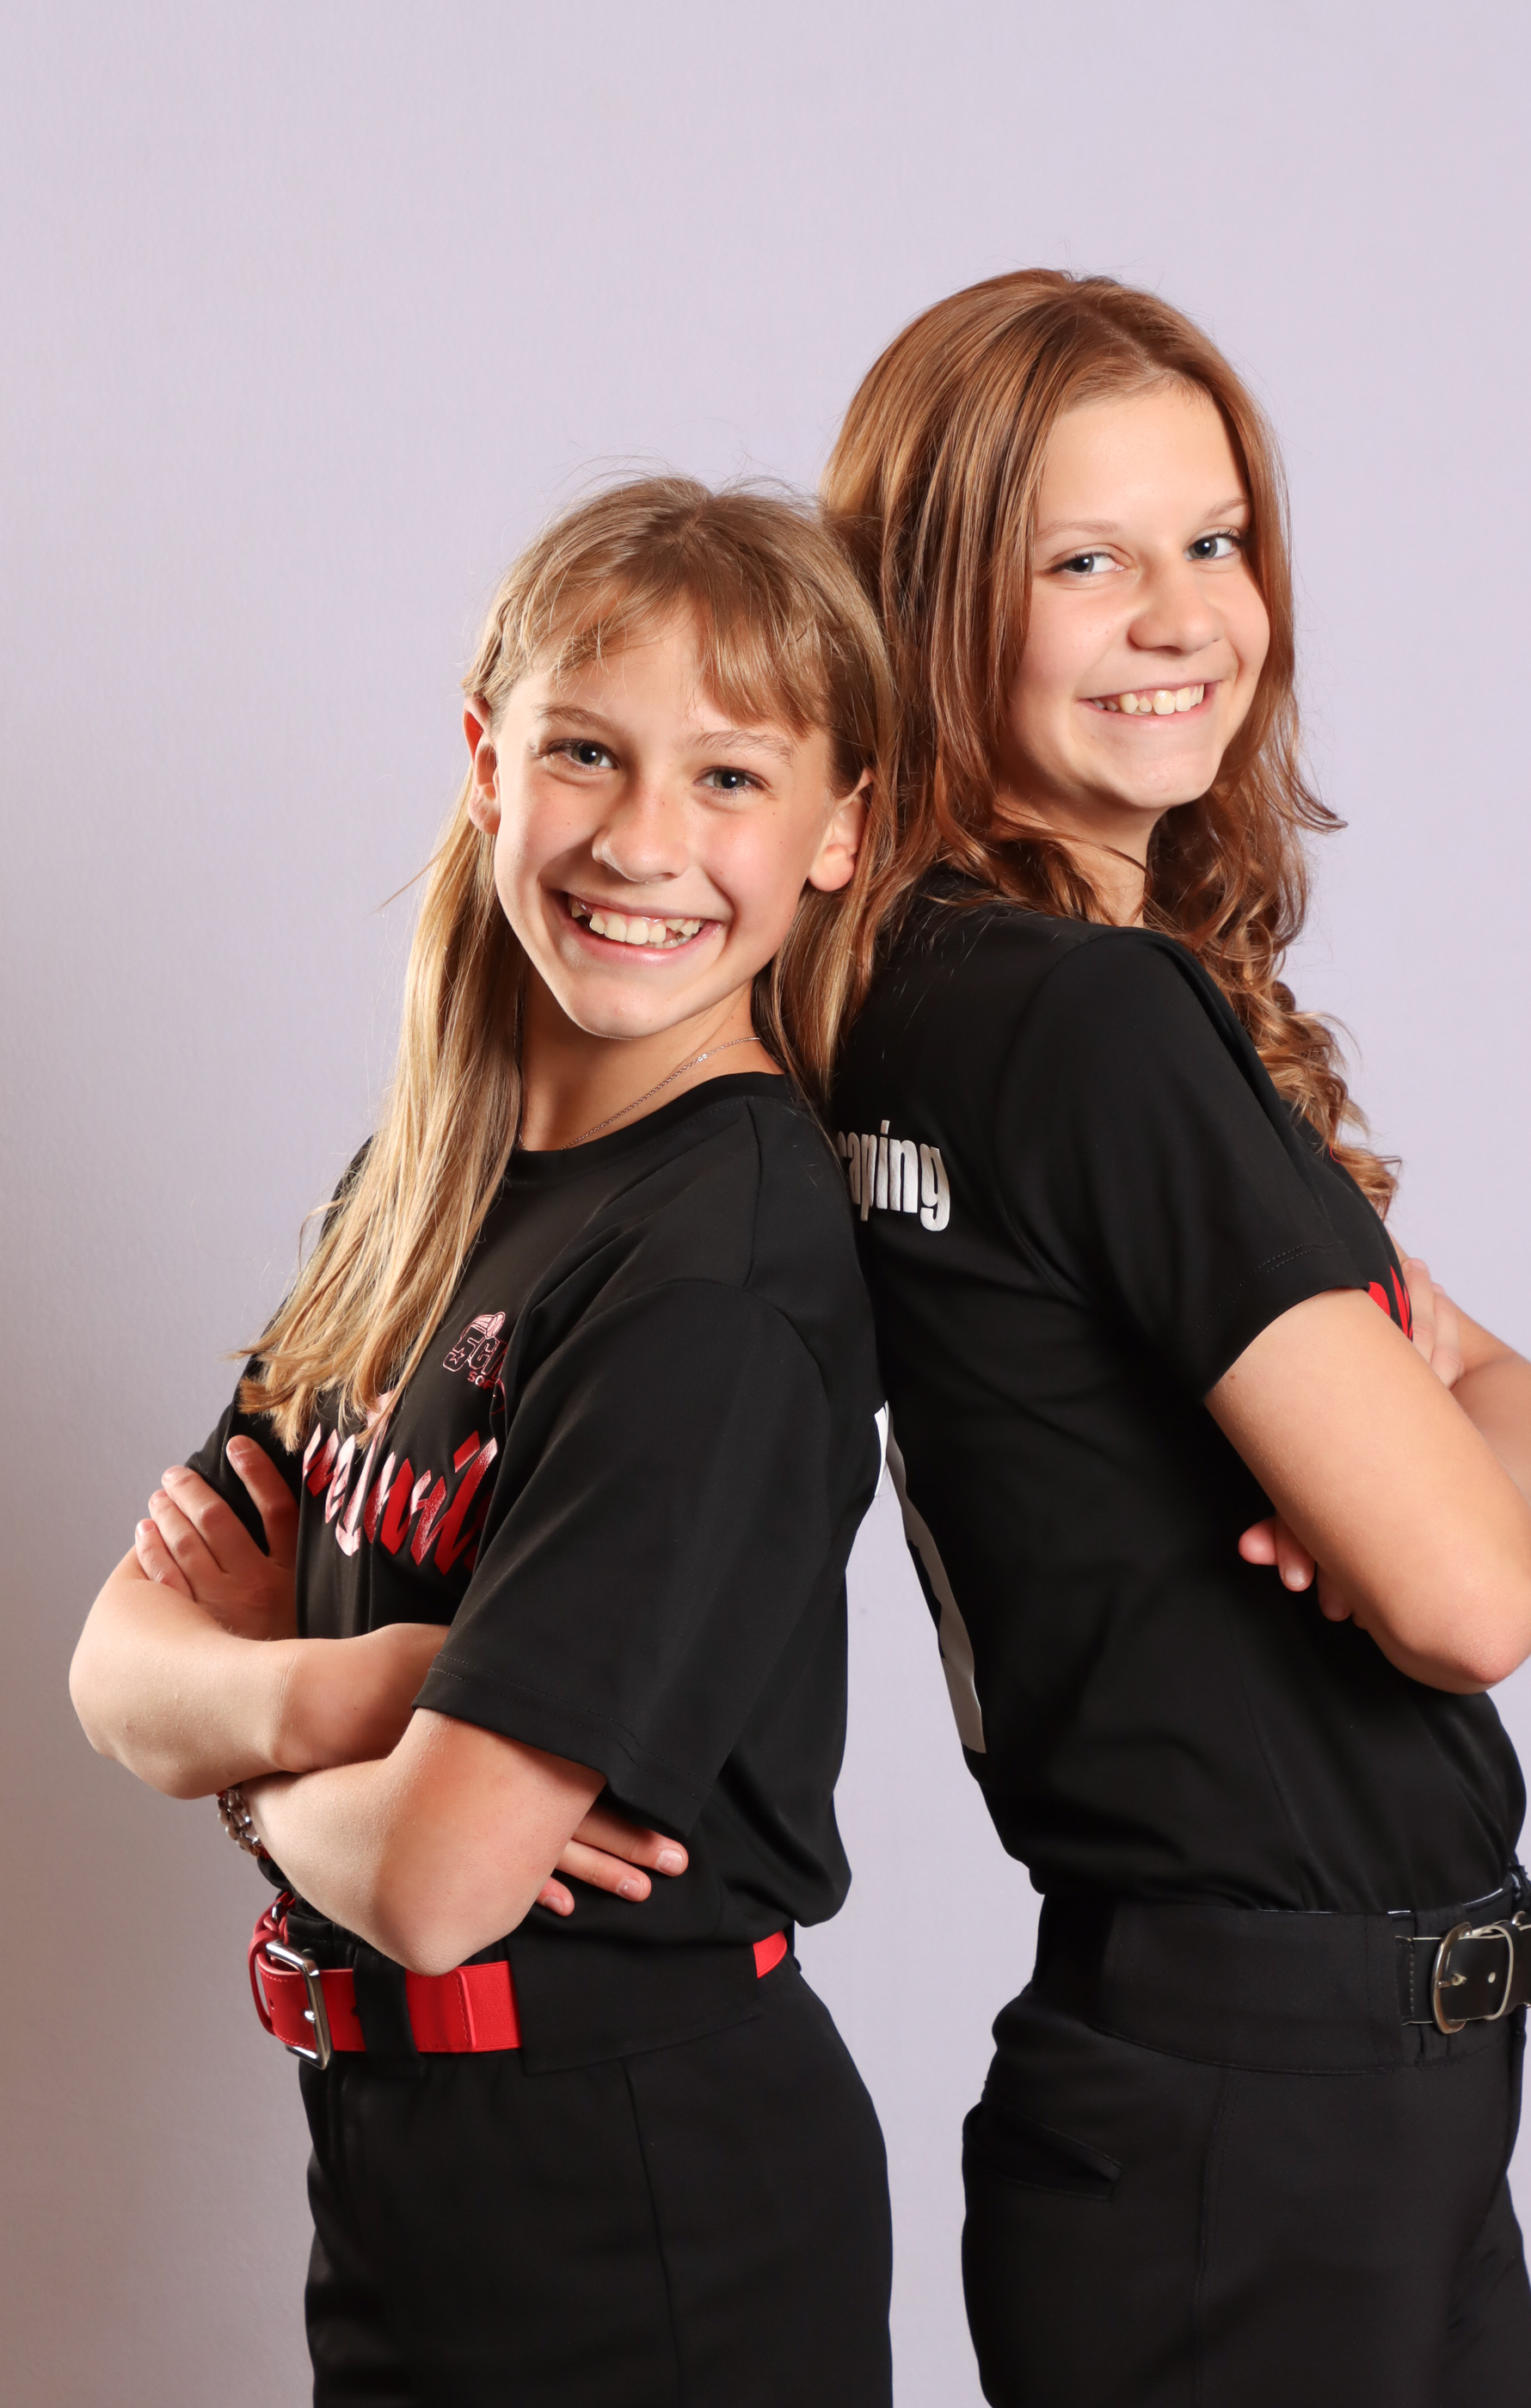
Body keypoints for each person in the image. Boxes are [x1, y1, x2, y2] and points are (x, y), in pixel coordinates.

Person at [821, 270, 1531, 2408]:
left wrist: (1442, 1476)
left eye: (1215, 539)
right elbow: (1474, 1586)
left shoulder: (930, 985)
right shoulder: (1090, 1018)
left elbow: (1494, 1405)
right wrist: (1435, 1492)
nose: (1181, 617)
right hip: (1267, 2113)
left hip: (1266, 2106)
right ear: (933, 603)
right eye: (1084, 560)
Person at [70, 478, 895, 2408]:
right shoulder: (426, 1181)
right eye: (586, 751)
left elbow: (441, 1882)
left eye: (730, 778)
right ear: (485, 762)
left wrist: (254, 1765)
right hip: (408, 2189)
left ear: (839, 831)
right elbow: (113, 1670)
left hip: (641, 2214)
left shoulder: (719, 1266)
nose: (640, 840)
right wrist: (369, 1689)